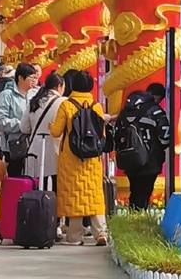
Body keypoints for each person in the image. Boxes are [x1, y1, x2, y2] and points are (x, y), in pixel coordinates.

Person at [50, 69, 107, 246]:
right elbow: (102, 134)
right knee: (94, 194)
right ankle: (100, 232)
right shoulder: (96, 106)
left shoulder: (67, 105)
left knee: (74, 194)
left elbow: (56, 131)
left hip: (71, 157)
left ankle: (75, 236)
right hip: (92, 159)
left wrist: (51, 126)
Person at [115, 82, 170, 210]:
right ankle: (139, 216)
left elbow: (117, 135)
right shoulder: (155, 111)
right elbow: (165, 137)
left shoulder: (126, 110)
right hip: (150, 160)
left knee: (135, 191)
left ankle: (134, 213)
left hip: (129, 159)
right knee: (144, 194)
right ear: (157, 97)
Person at [20, 71, 65, 190]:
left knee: (37, 185)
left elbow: (24, 127)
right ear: (59, 86)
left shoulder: (35, 100)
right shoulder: (63, 102)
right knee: (56, 186)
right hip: (55, 150)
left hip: (35, 149)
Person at [0, 63, 37, 177]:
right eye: (31, 77)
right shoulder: (6, 95)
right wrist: (22, 125)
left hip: (32, 146)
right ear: (21, 78)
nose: (34, 80)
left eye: (35, 77)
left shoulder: (35, 95)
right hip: (13, 146)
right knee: (15, 178)